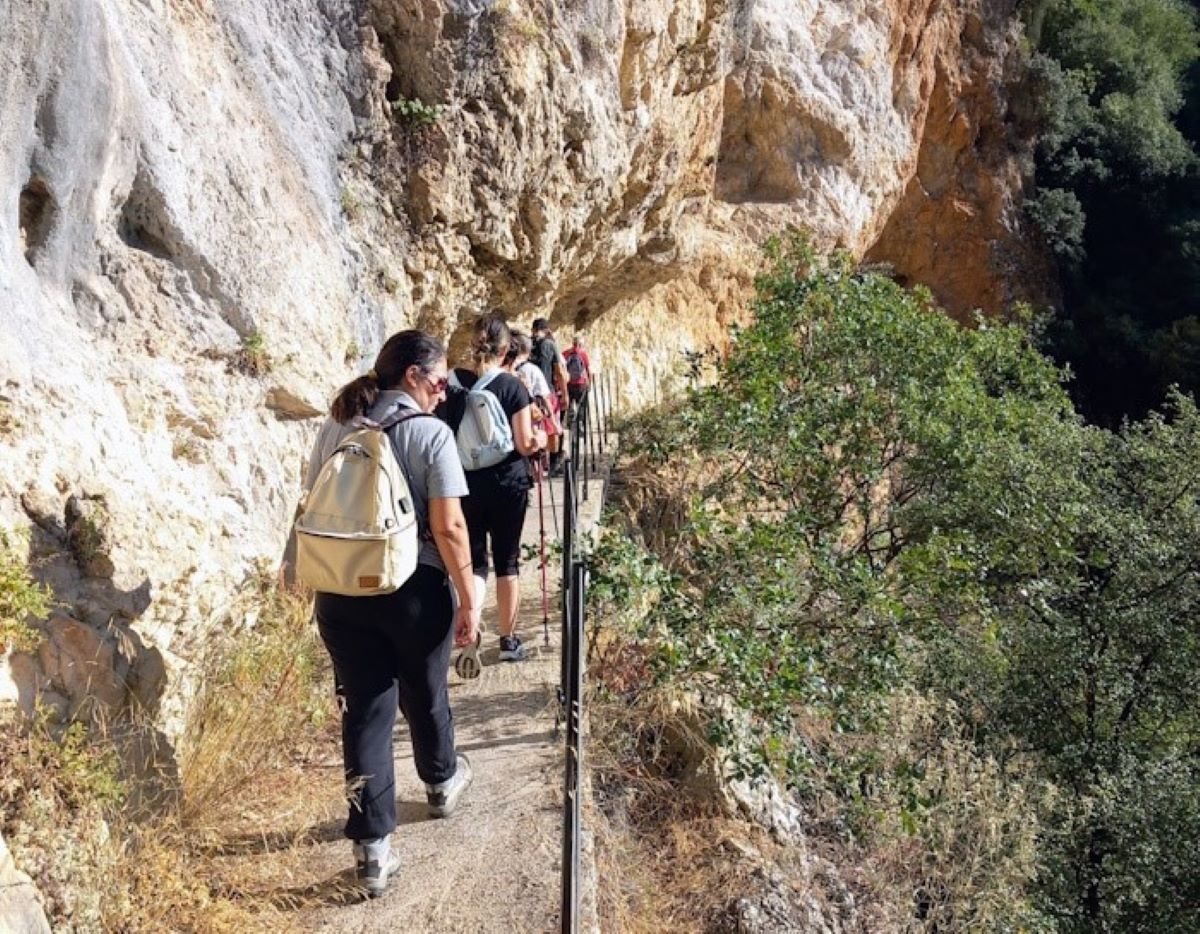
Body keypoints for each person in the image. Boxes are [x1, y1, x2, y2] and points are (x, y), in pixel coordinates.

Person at [303, 330, 480, 898]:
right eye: (439, 381)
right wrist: (469, 598)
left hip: (341, 591)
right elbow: (450, 528)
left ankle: (373, 852)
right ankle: (441, 781)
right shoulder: (429, 434)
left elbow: (310, 500)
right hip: (414, 588)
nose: (444, 392)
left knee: (365, 713)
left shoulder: (336, 424)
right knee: (426, 692)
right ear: (412, 377)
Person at [444, 315, 546, 662]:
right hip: (508, 484)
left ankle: (469, 629)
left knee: (472, 561)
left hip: (464, 483)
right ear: (506, 349)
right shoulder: (512, 386)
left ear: (473, 344)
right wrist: (543, 437)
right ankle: (508, 641)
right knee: (508, 561)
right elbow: (525, 442)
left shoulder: (452, 383)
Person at [529, 318, 569, 474]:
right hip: (548, 392)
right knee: (553, 428)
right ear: (546, 329)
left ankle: (538, 463)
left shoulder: (528, 345)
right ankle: (554, 463)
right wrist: (565, 395)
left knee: (536, 427)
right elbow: (559, 371)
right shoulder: (550, 345)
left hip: (530, 395)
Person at [562, 336, 592, 426]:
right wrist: (589, 383)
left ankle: (570, 423)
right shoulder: (583, 354)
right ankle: (580, 425)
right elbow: (589, 370)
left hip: (568, 384)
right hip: (581, 384)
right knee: (581, 406)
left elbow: (561, 369)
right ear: (581, 344)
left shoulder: (565, 353)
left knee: (569, 405)